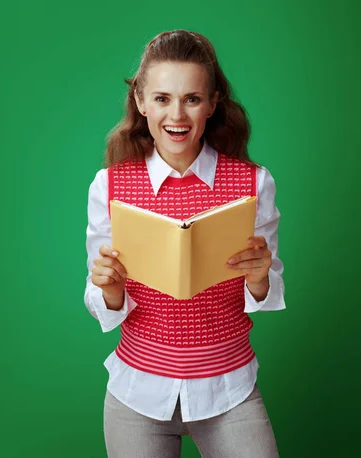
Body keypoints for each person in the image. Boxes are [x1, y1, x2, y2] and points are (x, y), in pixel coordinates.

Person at [84, 29, 286, 458]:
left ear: (213, 104)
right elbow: (101, 301)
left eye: (192, 98)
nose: (177, 114)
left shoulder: (253, 183)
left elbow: (265, 294)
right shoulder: (110, 186)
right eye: (162, 98)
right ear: (140, 101)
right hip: (138, 392)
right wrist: (110, 288)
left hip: (229, 388)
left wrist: (260, 276)